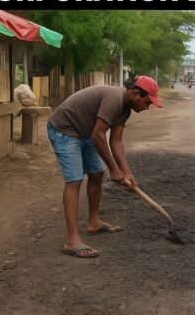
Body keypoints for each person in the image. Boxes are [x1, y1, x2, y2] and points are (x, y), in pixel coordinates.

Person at [47, 76, 162, 258]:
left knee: (96, 173)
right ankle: (72, 241)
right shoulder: (114, 99)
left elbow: (116, 141)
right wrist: (114, 169)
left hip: (85, 131)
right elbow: (99, 135)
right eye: (147, 102)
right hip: (64, 129)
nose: (147, 108)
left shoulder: (125, 110)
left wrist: (126, 172)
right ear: (135, 93)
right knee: (75, 180)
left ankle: (93, 222)